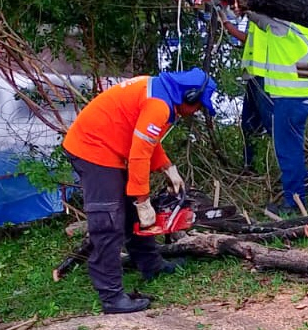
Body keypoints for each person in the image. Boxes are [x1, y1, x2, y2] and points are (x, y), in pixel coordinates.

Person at [62, 67, 217, 314]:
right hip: (92, 149)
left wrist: (167, 167)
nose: (197, 111)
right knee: (108, 219)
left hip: (110, 147)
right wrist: (142, 199)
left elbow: (145, 139)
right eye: (198, 106)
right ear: (189, 96)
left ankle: (151, 265)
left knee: (130, 213)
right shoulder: (159, 105)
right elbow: (139, 155)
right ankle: (111, 296)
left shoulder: (161, 93)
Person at [219, 0, 308, 216]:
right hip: (302, 96)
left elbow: (256, 16)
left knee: (287, 150)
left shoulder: (285, 23)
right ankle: (301, 190)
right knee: (292, 147)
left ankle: (294, 202)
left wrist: (239, 5)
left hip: (289, 97)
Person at [219, 5, 271, 173]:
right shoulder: (257, 18)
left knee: (270, 123)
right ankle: (250, 166)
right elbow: (250, 40)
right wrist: (227, 24)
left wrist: (227, 23)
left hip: (264, 75)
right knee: (249, 124)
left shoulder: (268, 15)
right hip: (254, 75)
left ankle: (286, 168)